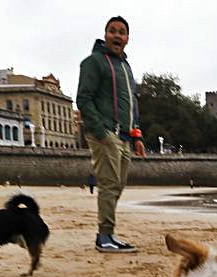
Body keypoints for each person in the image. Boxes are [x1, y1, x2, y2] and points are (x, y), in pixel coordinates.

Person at [76, 16, 146, 253]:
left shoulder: (125, 67)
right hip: (106, 133)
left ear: (127, 39)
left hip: (125, 137)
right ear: (105, 35)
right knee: (108, 183)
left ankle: (108, 234)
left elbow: (132, 104)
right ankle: (104, 236)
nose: (117, 35)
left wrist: (136, 135)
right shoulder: (93, 62)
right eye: (113, 31)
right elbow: (83, 99)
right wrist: (100, 131)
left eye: (122, 32)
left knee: (118, 185)